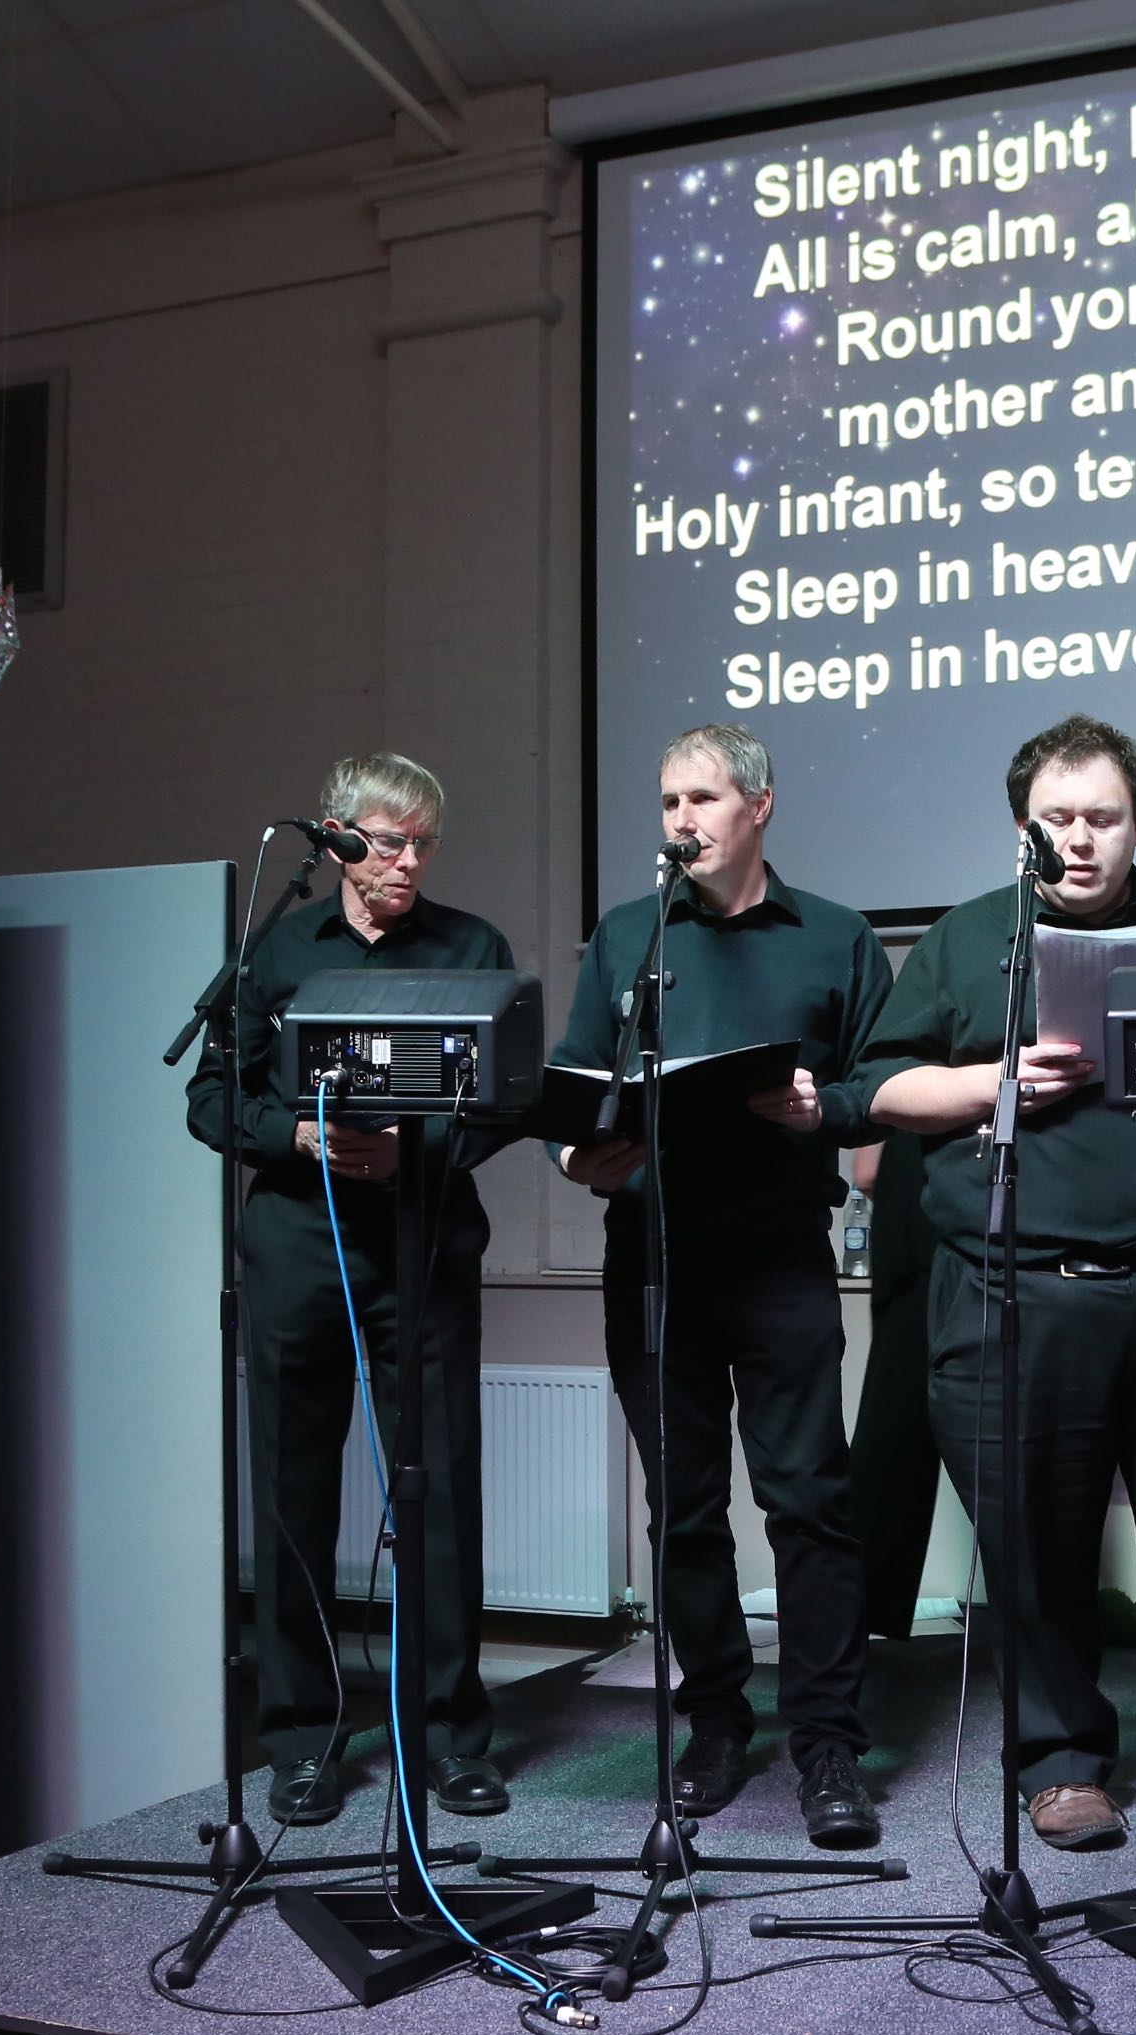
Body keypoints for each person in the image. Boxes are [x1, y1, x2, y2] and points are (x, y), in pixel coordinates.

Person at [855, 714, 1136, 1851]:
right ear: (1023, 825)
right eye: (1059, 819)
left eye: (1104, 818)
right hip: (1021, 1296)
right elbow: (878, 1094)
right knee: (1036, 1546)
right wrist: (999, 1080)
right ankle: (1061, 1761)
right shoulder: (967, 939)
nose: (1081, 840)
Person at [555, 724, 894, 1848]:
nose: (679, 819)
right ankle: (712, 1724)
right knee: (684, 1512)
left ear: (759, 805)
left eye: (701, 797)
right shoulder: (627, 936)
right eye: (666, 801)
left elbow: (874, 1097)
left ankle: (828, 1743)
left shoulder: (837, 939)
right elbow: (575, 1093)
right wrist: (576, 1153)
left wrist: (822, 1111)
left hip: (780, 1256)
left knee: (808, 1502)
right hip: (651, 1257)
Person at [187, 754, 517, 1826]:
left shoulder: (472, 947)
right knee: (291, 1496)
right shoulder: (273, 948)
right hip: (295, 1250)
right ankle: (300, 1739)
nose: (407, 860)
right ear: (334, 837)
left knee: (441, 1492)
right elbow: (207, 1096)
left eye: (424, 842)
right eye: (386, 841)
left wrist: (418, 1138)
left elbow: (507, 1096)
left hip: (421, 1247)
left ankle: (453, 1737)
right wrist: (295, 1134)